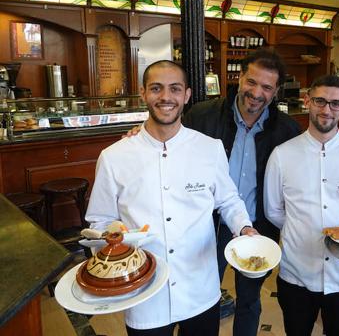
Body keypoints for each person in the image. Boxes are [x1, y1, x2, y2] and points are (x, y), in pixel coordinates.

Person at [86, 60, 257, 336]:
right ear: (143, 93)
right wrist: (110, 246)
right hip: (143, 292)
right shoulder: (114, 156)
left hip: (200, 288)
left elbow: (228, 200)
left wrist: (244, 227)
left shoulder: (209, 148)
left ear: (187, 95)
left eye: (174, 89)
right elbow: (101, 219)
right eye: (156, 88)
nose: (166, 97)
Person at [183, 49, 300, 335]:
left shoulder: (287, 130)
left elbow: (313, 152)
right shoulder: (202, 115)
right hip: (209, 224)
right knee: (202, 297)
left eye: (266, 87)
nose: (256, 92)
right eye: (251, 82)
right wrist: (138, 132)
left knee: (249, 299)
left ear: (275, 92)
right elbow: (169, 142)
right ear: (239, 78)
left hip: (258, 227)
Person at [264, 75, 339, 336]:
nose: (326, 110)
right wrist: (303, 229)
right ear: (308, 101)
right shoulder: (282, 155)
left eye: (335, 103)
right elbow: (273, 210)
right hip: (296, 274)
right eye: (320, 101)